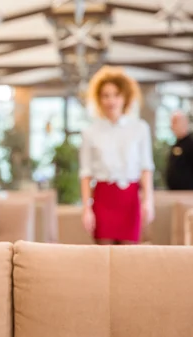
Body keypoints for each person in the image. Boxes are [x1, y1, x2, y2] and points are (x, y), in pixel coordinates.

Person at [79, 66, 155, 245]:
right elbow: (85, 173)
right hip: (103, 198)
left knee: (130, 257)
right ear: (99, 99)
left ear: (125, 97)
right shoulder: (90, 132)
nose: (111, 100)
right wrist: (86, 209)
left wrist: (148, 201)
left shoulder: (140, 128)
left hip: (130, 199)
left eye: (116, 94)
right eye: (106, 95)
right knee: (104, 258)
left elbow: (146, 168)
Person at [165, 110, 193, 190]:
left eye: (175, 122)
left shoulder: (190, 145)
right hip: (175, 192)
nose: (172, 126)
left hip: (187, 193)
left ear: (185, 123)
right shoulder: (176, 144)